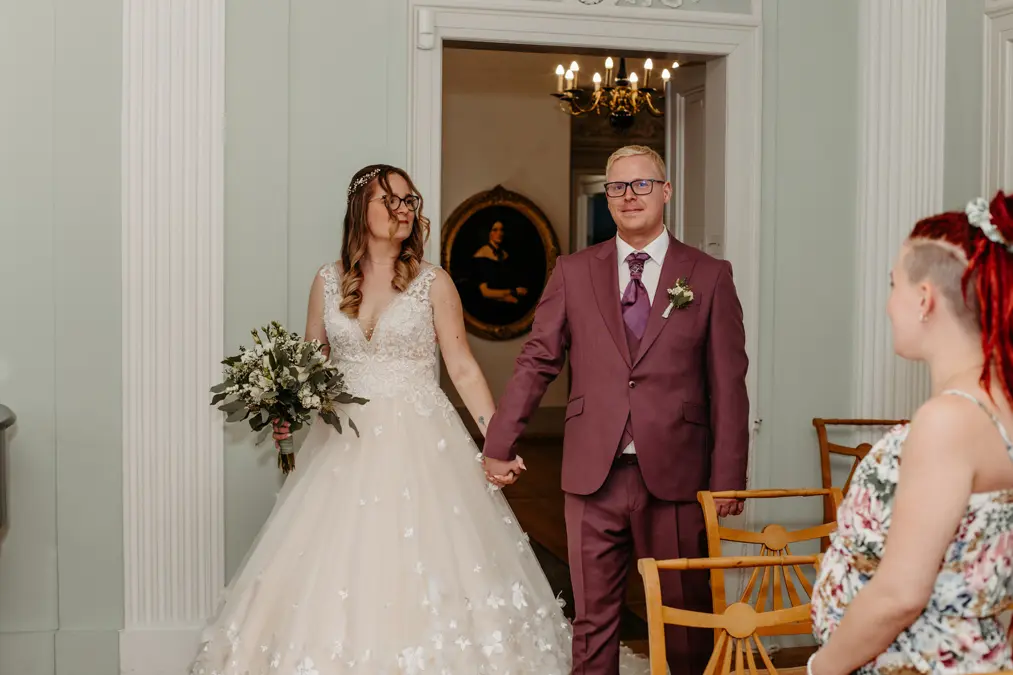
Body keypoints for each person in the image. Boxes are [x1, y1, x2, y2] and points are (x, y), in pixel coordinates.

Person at [188, 164, 651, 675]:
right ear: (359, 211)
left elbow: (462, 367)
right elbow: (310, 366)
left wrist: (499, 438)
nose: (403, 209)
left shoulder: (434, 282)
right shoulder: (326, 281)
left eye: (409, 200)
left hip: (420, 441)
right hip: (339, 450)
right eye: (389, 200)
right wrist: (285, 411)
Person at [482, 145, 751, 675]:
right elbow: (538, 360)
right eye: (617, 188)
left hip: (677, 475)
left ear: (666, 191)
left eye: (642, 185)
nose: (629, 197)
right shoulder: (574, 272)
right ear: (607, 198)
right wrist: (499, 443)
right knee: (593, 620)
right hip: (591, 473)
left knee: (686, 619)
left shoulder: (709, 274)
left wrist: (728, 478)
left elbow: (729, 384)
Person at [809, 191, 1013, 674]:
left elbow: (900, 594)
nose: (887, 303)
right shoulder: (998, 409)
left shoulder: (949, 420)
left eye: (893, 284)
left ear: (924, 299)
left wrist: (821, 668)